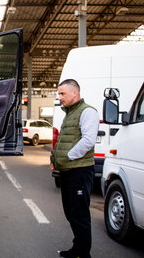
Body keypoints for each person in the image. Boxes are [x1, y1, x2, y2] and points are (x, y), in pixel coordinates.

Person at [51, 79, 99, 258]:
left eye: (62, 93)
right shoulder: (70, 113)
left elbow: (88, 140)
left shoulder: (87, 112)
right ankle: (77, 249)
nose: (59, 97)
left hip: (80, 170)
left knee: (79, 214)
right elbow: (64, 139)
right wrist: (53, 158)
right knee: (71, 212)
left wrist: (67, 156)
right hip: (67, 170)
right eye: (59, 93)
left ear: (74, 93)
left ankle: (83, 254)